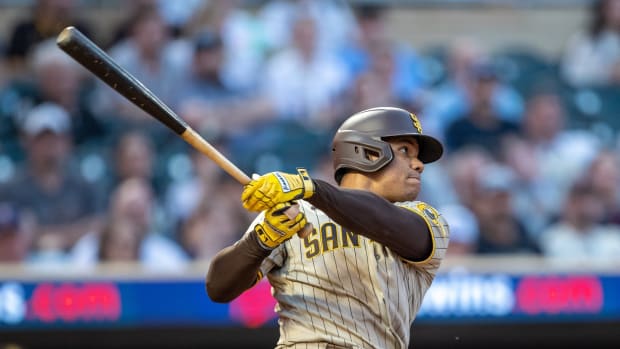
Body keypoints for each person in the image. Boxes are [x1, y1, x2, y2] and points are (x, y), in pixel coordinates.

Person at [207, 107, 450, 348]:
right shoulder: (295, 211)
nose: (419, 164)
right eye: (405, 150)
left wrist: (310, 187)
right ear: (367, 152)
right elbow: (218, 288)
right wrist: (261, 240)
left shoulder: (425, 219)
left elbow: (382, 220)